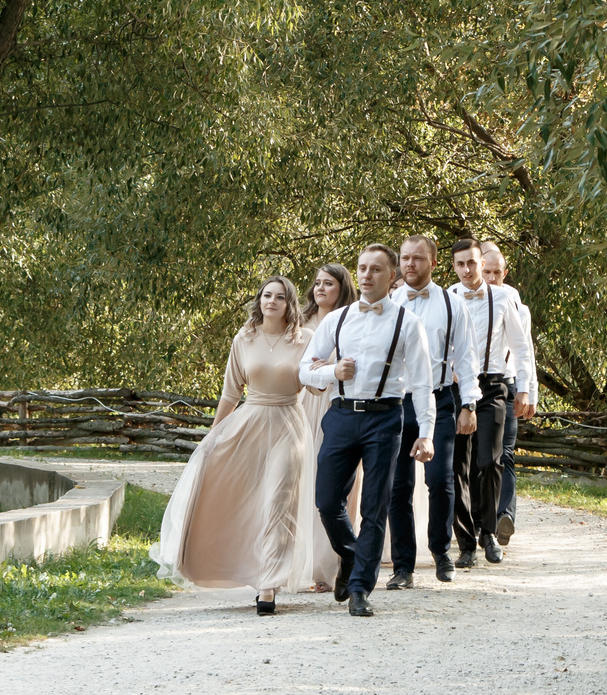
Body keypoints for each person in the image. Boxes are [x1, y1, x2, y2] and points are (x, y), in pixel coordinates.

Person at [153, 274, 316, 614]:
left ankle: (269, 585)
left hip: (288, 422)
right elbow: (231, 393)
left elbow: (315, 387)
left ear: (290, 304)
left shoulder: (306, 339)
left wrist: (327, 369)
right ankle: (247, 569)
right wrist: (213, 436)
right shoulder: (245, 337)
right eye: (266, 295)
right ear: (259, 301)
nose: (271, 301)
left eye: (280, 297)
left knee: (279, 500)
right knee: (247, 501)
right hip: (249, 422)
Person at [299, 244, 436, 617]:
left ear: (392, 277)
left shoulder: (408, 323)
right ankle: (351, 554)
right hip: (341, 415)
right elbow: (304, 369)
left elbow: (423, 383)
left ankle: (360, 588)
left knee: (374, 507)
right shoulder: (336, 320)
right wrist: (332, 372)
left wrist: (426, 433)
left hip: (385, 418)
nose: (366, 275)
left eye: (376, 269)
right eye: (362, 268)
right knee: (327, 501)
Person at [384, 234, 482, 588]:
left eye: (417, 259)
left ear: (433, 263)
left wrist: (468, 404)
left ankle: (441, 552)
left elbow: (467, 359)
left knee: (440, 480)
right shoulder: (389, 302)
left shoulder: (452, 303)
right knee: (398, 485)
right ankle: (403, 566)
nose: (409, 264)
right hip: (396, 403)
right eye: (405, 258)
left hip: (439, 401)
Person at [446, 239, 518, 567]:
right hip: (456, 386)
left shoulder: (504, 297)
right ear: (453, 266)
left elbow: (522, 346)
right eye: (460, 264)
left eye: (471, 263)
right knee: (458, 464)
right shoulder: (446, 298)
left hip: (492, 385)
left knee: (489, 461)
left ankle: (488, 532)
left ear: (481, 262)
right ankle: (464, 542)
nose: (467, 270)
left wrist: (527, 390)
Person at [296, 262, 359, 592]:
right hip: (305, 405)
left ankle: (332, 563)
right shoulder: (301, 323)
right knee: (304, 482)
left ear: (342, 288)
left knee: (333, 486)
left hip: (338, 405)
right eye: (317, 283)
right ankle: (304, 563)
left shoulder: (352, 321)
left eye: (328, 283)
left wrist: (328, 368)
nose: (320, 288)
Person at [480, 241, 537, 546]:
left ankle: (506, 516)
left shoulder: (513, 301)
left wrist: (530, 392)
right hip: (477, 385)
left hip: (509, 382)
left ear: (504, 272)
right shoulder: (460, 296)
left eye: (496, 272)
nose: (490, 277)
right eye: (485, 271)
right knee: (481, 457)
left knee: (506, 453)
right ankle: (481, 519)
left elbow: (524, 349)